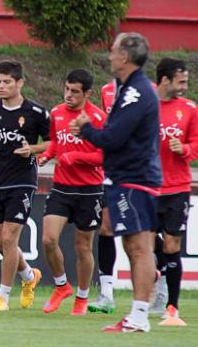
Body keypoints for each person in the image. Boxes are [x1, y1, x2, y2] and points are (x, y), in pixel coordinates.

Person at [71, 32, 161, 332]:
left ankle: (139, 315)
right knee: (134, 245)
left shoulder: (137, 92)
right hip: (128, 177)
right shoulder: (126, 89)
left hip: (135, 178)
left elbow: (113, 138)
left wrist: (86, 128)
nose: (109, 56)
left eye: (113, 51)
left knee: (139, 247)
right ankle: (138, 313)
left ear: (125, 57)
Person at [0, 60, 49, 312]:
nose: (1, 86)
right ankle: (30, 276)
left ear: (19, 83)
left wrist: (33, 149)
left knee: (10, 238)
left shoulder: (36, 112)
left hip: (23, 182)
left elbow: (53, 143)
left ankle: (3, 296)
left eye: (7, 82)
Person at [37, 70, 106, 315]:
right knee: (48, 239)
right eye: (66, 89)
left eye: (75, 91)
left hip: (89, 190)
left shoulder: (97, 117)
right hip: (61, 187)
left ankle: (82, 298)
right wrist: (47, 155)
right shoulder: (56, 113)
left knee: (82, 247)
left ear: (87, 93)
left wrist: (75, 157)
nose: (68, 95)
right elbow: (55, 141)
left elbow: (104, 155)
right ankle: (61, 286)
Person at [150, 58, 197, 326]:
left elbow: (197, 143)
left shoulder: (190, 109)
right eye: (181, 81)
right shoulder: (146, 108)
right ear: (165, 80)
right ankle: (148, 292)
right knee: (142, 244)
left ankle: (171, 307)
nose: (185, 86)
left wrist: (186, 150)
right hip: (147, 186)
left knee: (172, 245)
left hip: (177, 188)